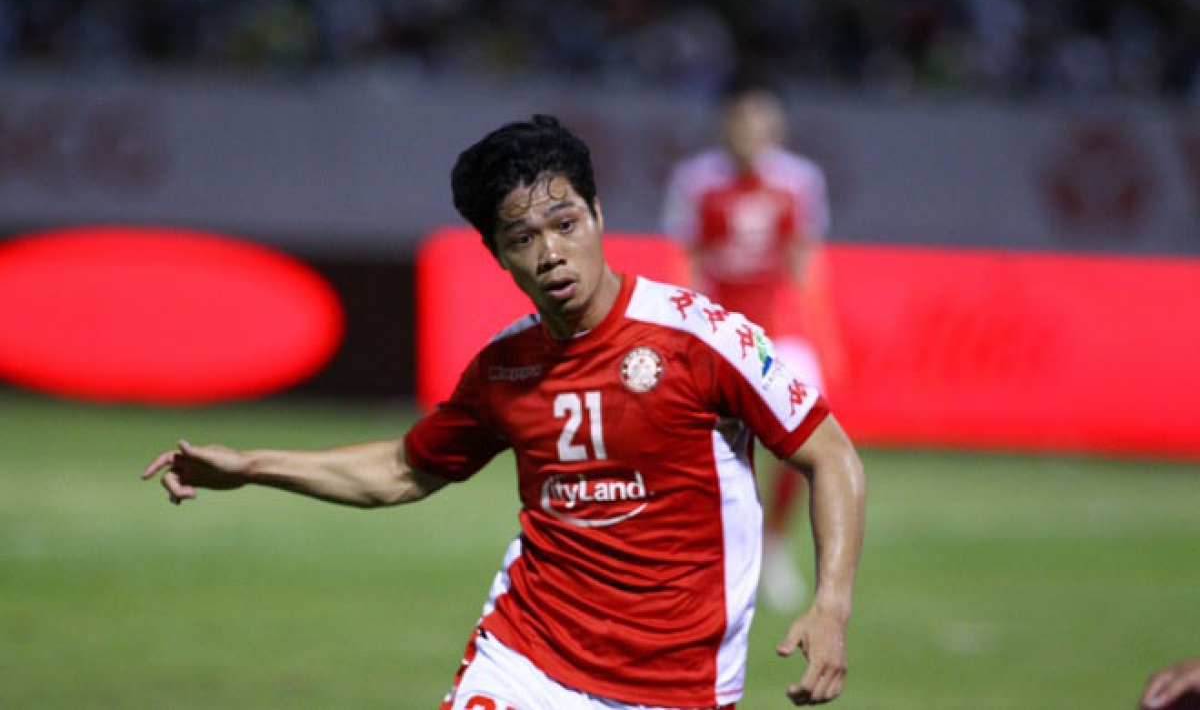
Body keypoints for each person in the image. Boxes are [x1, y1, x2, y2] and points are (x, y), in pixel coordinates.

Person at [141, 114, 867, 709]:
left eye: (565, 223)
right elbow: (402, 470)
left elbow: (829, 454)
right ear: (498, 256)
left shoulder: (699, 338)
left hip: (678, 687)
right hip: (528, 659)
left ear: (598, 215)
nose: (551, 253)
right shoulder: (504, 368)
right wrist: (251, 467)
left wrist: (831, 606)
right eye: (523, 239)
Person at [661, 73, 837, 612]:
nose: (751, 131)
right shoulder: (697, 180)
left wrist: (823, 335)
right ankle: (710, 551)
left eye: (761, 120)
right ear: (725, 123)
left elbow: (805, 261)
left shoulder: (799, 180)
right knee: (710, 444)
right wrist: (684, 328)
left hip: (780, 331)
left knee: (806, 440)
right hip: (720, 330)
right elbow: (686, 259)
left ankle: (774, 542)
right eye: (741, 119)